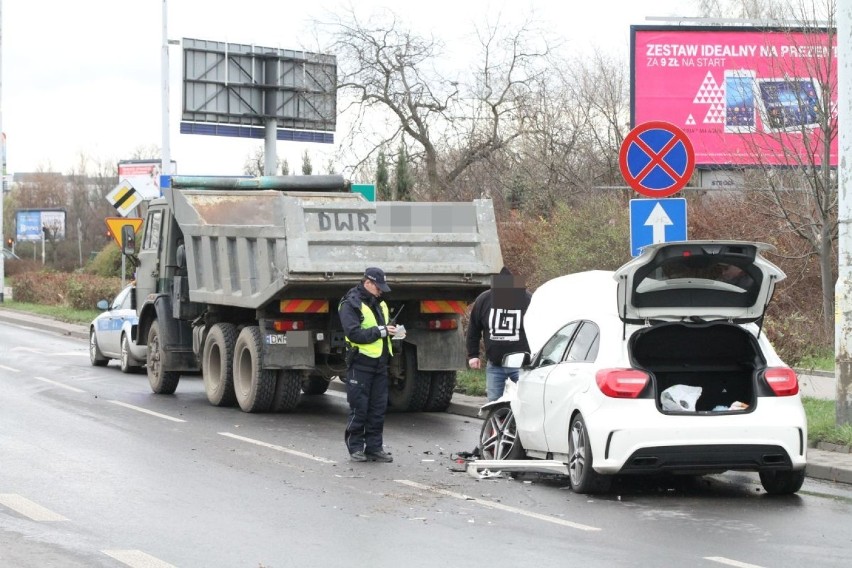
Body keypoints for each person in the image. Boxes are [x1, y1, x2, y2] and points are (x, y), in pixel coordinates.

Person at [338, 267, 398, 463]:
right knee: (359, 408)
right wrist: (381, 331)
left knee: (378, 409)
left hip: (380, 364)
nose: (381, 291)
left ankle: (374, 447)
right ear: (368, 283)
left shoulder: (379, 304)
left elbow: (382, 330)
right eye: (378, 287)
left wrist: (392, 332)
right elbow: (353, 333)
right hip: (360, 363)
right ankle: (355, 447)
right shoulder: (350, 304)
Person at [466, 267, 532, 401]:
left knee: (525, 404)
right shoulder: (484, 300)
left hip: (522, 367)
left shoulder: (527, 299)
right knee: (494, 404)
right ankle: (498, 422)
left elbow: (538, 327)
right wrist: (473, 355)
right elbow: (474, 328)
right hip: (495, 365)